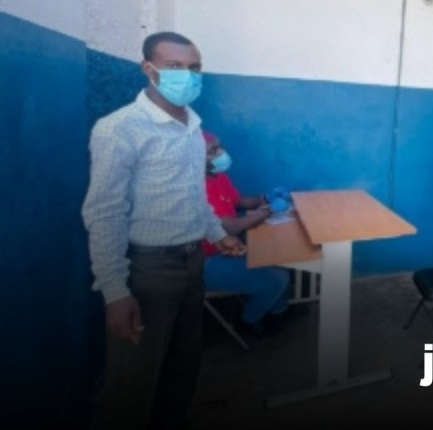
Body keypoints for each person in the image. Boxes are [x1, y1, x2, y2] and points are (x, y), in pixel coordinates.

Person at [82, 32, 245, 430]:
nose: (187, 75)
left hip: (192, 261)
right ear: (148, 69)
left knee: (184, 363)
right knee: (133, 380)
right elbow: (105, 213)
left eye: (194, 68)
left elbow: (195, 195)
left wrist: (216, 233)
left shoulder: (193, 128)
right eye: (174, 67)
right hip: (149, 269)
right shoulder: (119, 129)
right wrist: (115, 291)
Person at [201, 130, 292, 338]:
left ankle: (277, 314)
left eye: (219, 146)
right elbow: (229, 227)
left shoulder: (218, 176)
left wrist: (265, 198)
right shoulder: (196, 187)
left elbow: (238, 201)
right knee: (277, 279)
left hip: (233, 246)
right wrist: (268, 211)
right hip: (207, 260)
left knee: (281, 263)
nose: (221, 152)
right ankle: (246, 323)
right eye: (212, 151)